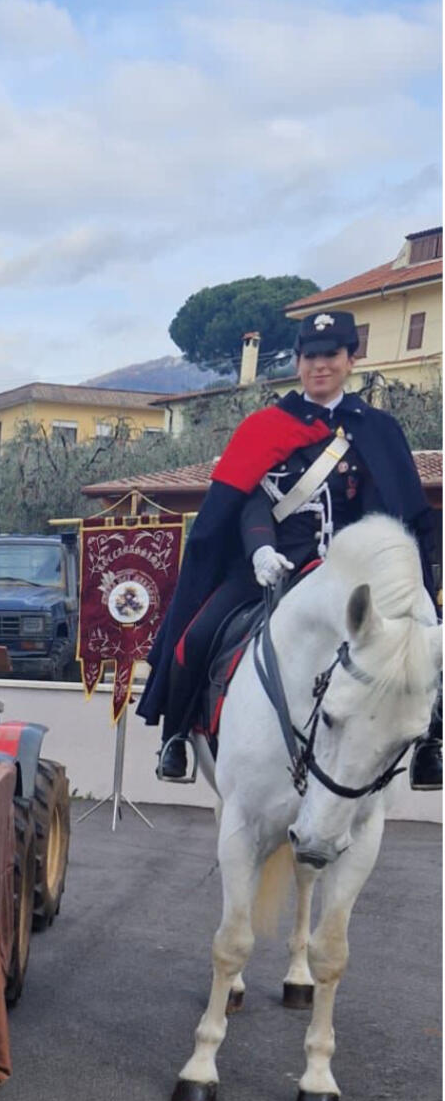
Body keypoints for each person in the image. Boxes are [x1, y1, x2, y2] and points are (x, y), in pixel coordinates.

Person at [140, 310, 442, 785]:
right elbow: (246, 501)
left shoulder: (377, 430)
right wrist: (260, 549)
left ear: (350, 360)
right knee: (195, 638)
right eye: (310, 357)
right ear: (298, 363)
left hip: (353, 575)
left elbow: (398, 511)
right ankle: (175, 737)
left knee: (426, 630)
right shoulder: (265, 426)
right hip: (274, 565)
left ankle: (430, 743)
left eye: (331, 356)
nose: (320, 366)